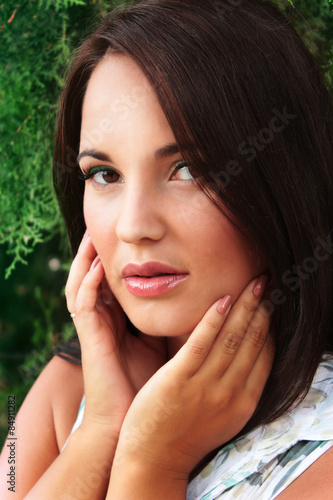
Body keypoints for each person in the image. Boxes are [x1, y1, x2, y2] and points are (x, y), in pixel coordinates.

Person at [1, 0, 333, 498]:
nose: (133, 226)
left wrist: (153, 462)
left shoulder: (319, 449)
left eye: (188, 170)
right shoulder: (77, 383)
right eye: (105, 174)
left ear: (281, 180)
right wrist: (102, 431)